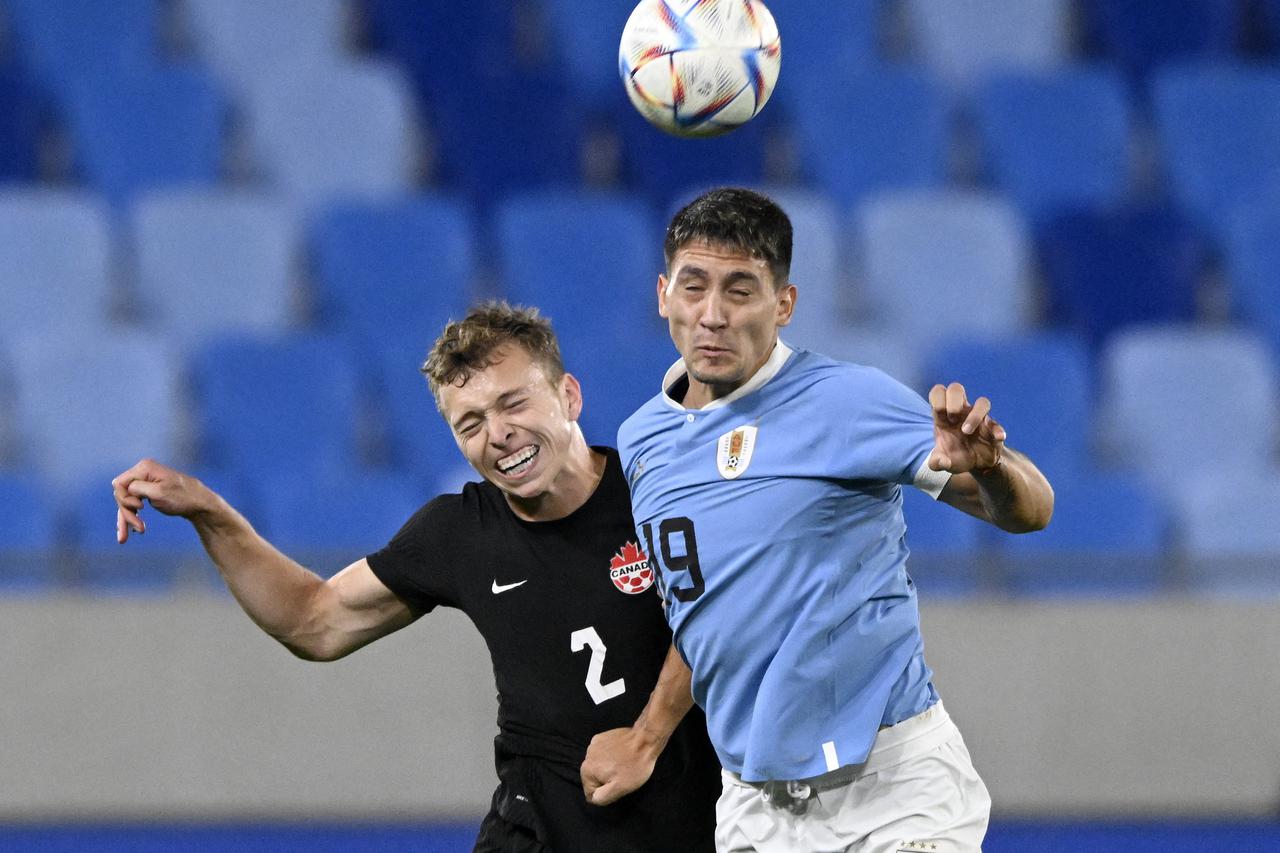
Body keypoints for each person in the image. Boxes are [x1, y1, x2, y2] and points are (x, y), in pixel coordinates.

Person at [110, 303, 721, 853]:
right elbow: (313, 621)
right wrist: (210, 513)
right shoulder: (458, 534)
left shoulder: (661, 496)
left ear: (569, 396)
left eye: (514, 403)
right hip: (536, 832)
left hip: (691, 822)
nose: (498, 434)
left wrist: (646, 739)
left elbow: (725, 617)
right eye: (470, 423)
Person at [589, 188, 1055, 852]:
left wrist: (992, 465)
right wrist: (647, 737)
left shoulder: (845, 399)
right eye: (694, 287)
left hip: (893, 791)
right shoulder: (643, 441)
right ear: (664, 295)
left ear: (784, 304)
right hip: (755, 805)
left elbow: (1032, 510)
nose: (712, 315)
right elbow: (706, 615)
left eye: (740, 291)